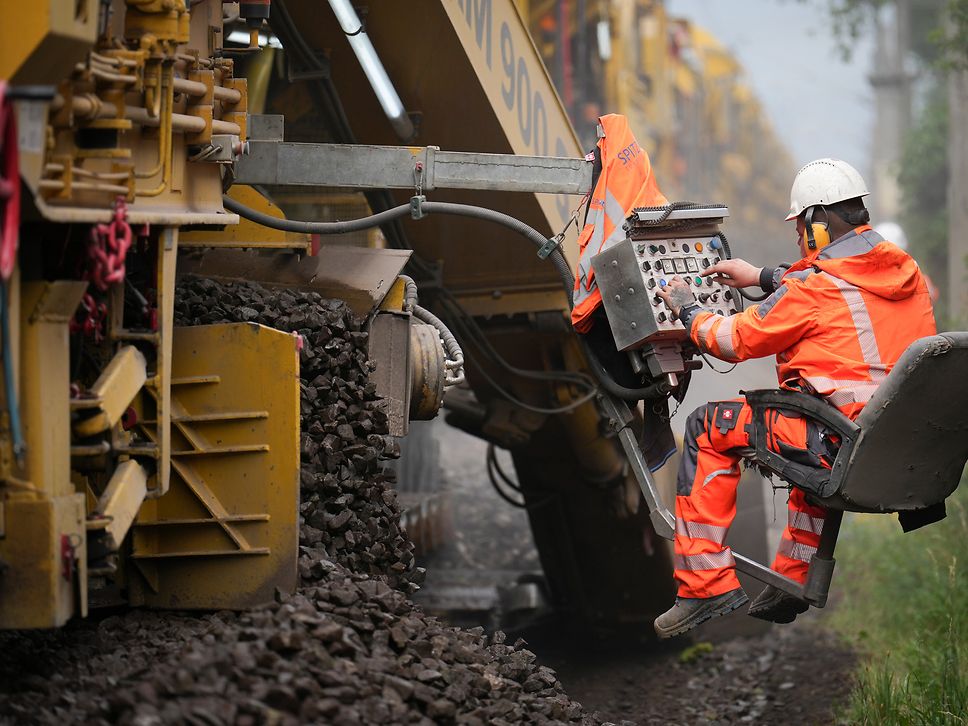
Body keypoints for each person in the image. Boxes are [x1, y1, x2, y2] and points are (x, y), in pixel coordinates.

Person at [651, 158, 937, 638]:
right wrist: (762, 276)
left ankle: (703, 587)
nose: (800, 237)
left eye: (802, 226)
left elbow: (731, 340)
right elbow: (835, 287)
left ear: (817, 224)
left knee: (707, 426)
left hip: (836, 441)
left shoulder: (812, 289)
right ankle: (792, 577)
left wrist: (687, 306)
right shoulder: (903, 273)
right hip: (889, 443)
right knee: (810, 435)